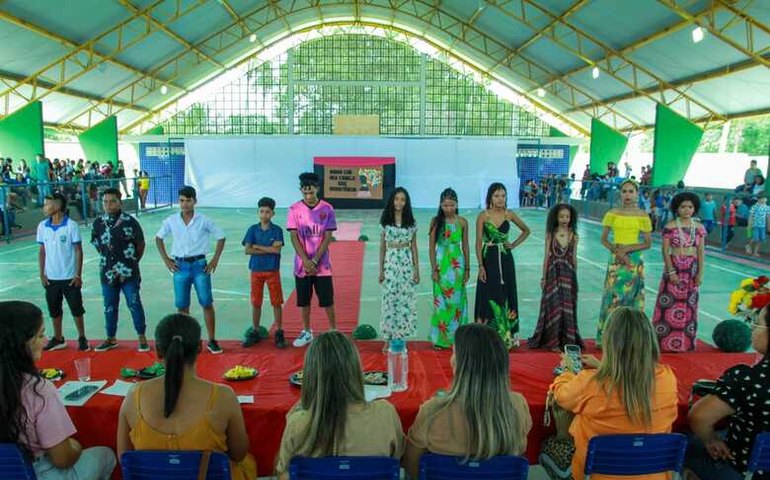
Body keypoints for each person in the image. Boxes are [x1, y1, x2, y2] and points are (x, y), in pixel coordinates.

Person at [117, 314, 256, 480]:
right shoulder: (224, 397)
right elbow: (239, 454)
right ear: (199, 347)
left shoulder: (134, 396)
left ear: (159, 351)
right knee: (248, 462)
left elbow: (124, 459)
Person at [550, 307, 678, 480]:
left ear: (609, 342)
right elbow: (629, 377)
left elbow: (561, 396)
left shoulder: (590, 382)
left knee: (550, 446)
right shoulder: (667, 379)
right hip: (655, 475)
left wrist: (566, 371)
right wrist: (603, 367)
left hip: (595, 475)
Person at [0, 301, 116, 479]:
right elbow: (63, 458)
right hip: (36, 471)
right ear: (21, 344)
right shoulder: (38, 389)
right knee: (106, 455)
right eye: (40, 336)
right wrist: (75, 446)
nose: (45, 341)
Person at [404, 323, 531, 477]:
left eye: (454, 353)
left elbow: (412, 468)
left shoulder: (432, 412)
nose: (451, 359)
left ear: (460, 365)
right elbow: (518, 454)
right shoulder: (518, 406)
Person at [275, 331, 404, 478]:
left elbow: (284, 473)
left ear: (311, 376)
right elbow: (399, 459)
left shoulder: (297, 423)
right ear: (355, 370)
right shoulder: (385, 414)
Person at [685, 305, 770, 480]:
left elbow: (699, 418)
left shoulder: (747, 378)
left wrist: (711, 441)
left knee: (686, 443)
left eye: (758, 323)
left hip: (746, 470)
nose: (752, 328)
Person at [155, 186, 226, 354]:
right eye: (181, 200)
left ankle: (212, 340)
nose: (184, 204)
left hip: (200, 266)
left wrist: (215, 259)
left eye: (188, 200)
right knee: (182, 306)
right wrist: (166, 260)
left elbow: (221, 236)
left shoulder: (204, 220)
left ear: (195, 201)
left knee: (206, 302)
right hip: (180, 267)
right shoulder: (171, 220)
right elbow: (158, 238)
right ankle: (188, 341)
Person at [91, 188, 149, 352]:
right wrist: (109, 260)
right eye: (105, 202)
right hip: (107, 273)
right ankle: (111, 338)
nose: (108, 205)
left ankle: (141, 337)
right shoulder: (98, 223)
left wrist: (131, 261)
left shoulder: (130, 221)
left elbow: (140, 244)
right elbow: (98, 245)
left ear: (120, 202)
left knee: (134, 303)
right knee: (109, 306)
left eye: (112, 201)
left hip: (129, 273)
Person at [596, 179, 652, 346]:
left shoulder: (643, 215)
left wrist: (628, 249)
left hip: (634, 260)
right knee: (613, 296)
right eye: (624, 191)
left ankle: (631, 339)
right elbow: (604, 239)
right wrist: (617, 251)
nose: (627, 194)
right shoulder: (612, 213)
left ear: (636, 193)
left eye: (631, 191)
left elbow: (647, 243)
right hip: (616, 259)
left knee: (633, 296)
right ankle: (609, 337)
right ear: (620, 193)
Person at [474, 183, 530, 348]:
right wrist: (480, 266)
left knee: (506, 293)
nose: (500, 199)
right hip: (488, 258)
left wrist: (513, 244)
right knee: (488, 295)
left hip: (505, 259)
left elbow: (526, 230)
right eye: (497, 195)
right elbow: (478, 242)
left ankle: (507, 336)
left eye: (503, 195)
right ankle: (485, 336)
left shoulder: (509, 214)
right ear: (490, 197)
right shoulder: (483, 216)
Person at [286, 172, 337, 348]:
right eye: (305, 193)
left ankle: (333, 331)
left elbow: (327, 236)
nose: (308, 196)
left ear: (317, 189)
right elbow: (293, 237)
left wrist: (314, 261)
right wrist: (305, 261)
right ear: (301, 190)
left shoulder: (327, 209)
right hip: (302, 266)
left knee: (327, 300)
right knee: (304, 300)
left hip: (322, 265)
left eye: (311, 192)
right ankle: (307, 331)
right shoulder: (294, 209)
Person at [652, 192, 706, 353]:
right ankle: (663, 342)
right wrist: (671, 271)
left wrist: (700, 273)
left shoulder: (699, 228)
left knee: (689, 304)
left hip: (691, 269)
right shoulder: (670, 227)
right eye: (683, 207)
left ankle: (685, 342)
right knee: (669, 303)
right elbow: (665, 251)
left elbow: (701, 252)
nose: (687, 210)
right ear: (677, 208)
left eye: (690, 207)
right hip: (675, 266)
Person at [37, 193, 89, 352]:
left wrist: (78, 274)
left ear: (58, 206)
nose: (43, 207)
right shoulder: (42, 226)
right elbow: (42, 251)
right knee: (54, 308)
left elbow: (78, 251)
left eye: (47, 204)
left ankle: (82, 337)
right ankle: (58, 338)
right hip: (51, 278)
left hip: (69, 277)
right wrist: (42, 273)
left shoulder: (71, 225)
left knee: (76, 308)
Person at [529, 203, 582, 350]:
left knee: (567, 308)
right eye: (561, 216)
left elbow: (574, 257)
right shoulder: (550, 234)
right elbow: (547, 256)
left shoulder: (574, 236)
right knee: (554, 307)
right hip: (552, 273)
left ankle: (567, 340)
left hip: (568, 275)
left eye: (567, 216)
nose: (564, 219)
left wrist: (574, 278)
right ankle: (552, 342)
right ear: (555, 218)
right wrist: (543, 277)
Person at [242, 196, 286, 348]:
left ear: (272, 213)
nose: (264, 214)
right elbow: (247, 250)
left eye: (267, 212)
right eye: (262, 211)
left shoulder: (278, 230)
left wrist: (258, 247)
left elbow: (276, 250)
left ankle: (279, 332)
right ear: (258, 212)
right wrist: (268, 249)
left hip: (272, 270)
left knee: (276, 302)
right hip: (256, 270)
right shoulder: (252, 229)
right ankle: (255, 331)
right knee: (256, 302)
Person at [379, 187, 419, 351]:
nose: (399, 202)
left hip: (406, 263)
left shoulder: (411, 221)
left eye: (403, 199)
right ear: (392, 200)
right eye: (397, 199)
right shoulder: (385, 220)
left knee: (405, 300)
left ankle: (401, 336)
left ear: (406, 202)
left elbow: (414, 247)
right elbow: (382, 246)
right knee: (389, 300)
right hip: (390, 262)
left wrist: (416, 269)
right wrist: (381, 269)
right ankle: (387, 338)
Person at [429, 188, 469, 349]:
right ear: (440, 205)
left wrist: (467, 269)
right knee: (441, 302)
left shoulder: (462, 222)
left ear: (457, 204)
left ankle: (457, 339)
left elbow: (465, 246)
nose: (449, 209)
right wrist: (434, 269)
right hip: (441, 264)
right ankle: (441, 339)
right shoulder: (435, 221)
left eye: (452, 205)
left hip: (457, 265)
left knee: (457, 302)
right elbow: (431, 247)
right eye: (445, 205)